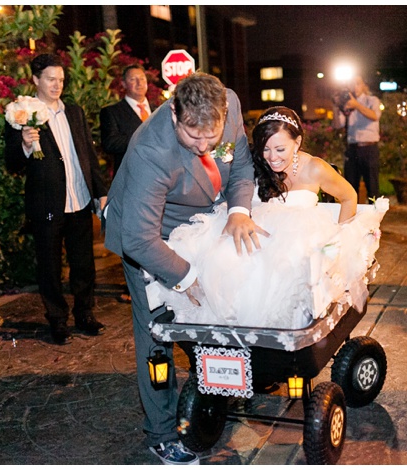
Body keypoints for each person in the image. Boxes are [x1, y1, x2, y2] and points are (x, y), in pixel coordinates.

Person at [103, 72, 262, 465]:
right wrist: (186, 276)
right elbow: (137, 239)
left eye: (212, 136)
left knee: (221, 304)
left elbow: (240, 165)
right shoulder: (149, 151)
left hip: (204, 219)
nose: (205, 145)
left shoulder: (230, 103)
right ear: (174, 113)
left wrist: (240, 210)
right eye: (194, 136)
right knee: (158, 331)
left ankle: (217, 389)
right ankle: (160, 431)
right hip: (151, 235)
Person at [156, 106, 388, 330]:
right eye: (265, 149)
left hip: (297, 239)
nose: (272, 158)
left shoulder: (314, 168)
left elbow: (349, 196)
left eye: (280, 149)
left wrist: (340, 239)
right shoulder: (252, 163)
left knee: (275, 274)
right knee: (218, 260)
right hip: (252, 234)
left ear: (296, 142)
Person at [4, 53, 107, 345]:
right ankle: (57, 320)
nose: (57, 85)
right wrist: (24, 144)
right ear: (35, 79)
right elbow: (12, 163)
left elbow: (88, 155)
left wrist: (100, 192)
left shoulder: (73, 112)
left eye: (61, 79)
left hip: (79, 200)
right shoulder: (21, 116)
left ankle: (84, 314)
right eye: (50, 79)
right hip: (47, 205)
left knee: (84, 263)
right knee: (49, 265)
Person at [100, 64, 153, 304]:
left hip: (159, 181)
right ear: (124, 84)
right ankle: (133, 285)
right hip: (131, 181)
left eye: (142, 79)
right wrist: (145, 138)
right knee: (134, 233)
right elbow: (110, 143)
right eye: (133, 79)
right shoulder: (112, 112)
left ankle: (155, 282)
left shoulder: (159, 109)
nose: (139, 83)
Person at [332, 74, 382, 203]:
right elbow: (338, 125)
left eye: (357, 83)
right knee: (350, 186)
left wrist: (356, 105)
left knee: (372, 185)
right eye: (351, 84)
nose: (354, 87)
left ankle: (374, 217)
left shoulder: (372, 100)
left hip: (369, 148)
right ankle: (352, 218)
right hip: (353, 148)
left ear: (364, 86)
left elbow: (374, 116)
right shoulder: (347, 104)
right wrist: (336, 106)